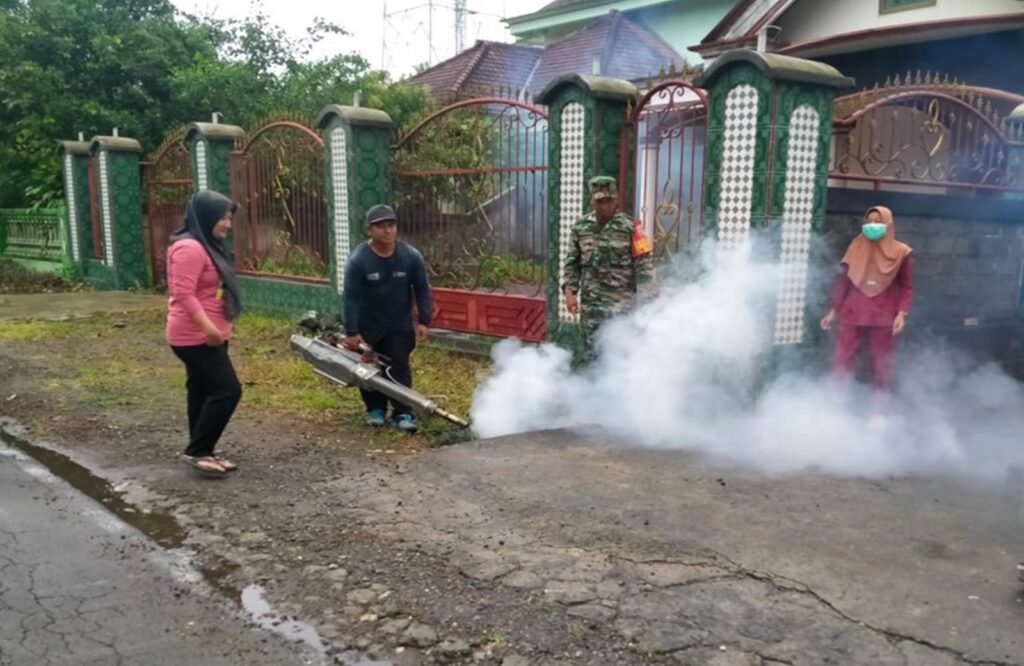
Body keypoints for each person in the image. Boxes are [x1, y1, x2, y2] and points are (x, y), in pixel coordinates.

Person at [166, 190, 243, 477]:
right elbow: (183, 295)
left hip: (209, 333)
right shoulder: (190, 248)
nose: (226, 224)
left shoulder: (205, 244)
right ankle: (198, 449)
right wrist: (210, 329)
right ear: (206, 216)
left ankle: (202, 448)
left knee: (201, 388)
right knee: (228, 390)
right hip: (194, 336)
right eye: (222, 217)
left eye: (228, 218)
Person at [342, 204, 431, 432]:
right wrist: (352, 331)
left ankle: (403, 412)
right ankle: (375, 409)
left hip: (399, 325)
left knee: (398, 366)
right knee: (367, 366)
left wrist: (424, 320)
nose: (387, 231)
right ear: (369, 230)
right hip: (368, 325)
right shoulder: (358, 260)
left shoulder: (410, 257)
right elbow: (351, 297)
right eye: (381, 226)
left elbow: (422, 289)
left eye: (391, 225)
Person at [562, 175, 655, 359]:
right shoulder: (580, 228)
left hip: (621, 306)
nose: (604, 206)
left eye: (608, 201)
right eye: (599, 202)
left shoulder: (632, 227)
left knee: (619, 355)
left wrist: (648, 300)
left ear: (616, 199)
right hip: (591, 307)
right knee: (591, 353)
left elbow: (644, 264)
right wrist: (570, 293)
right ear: (592, 201)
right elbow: (572, 262)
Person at [820, 206, 913, 391]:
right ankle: (835, 406)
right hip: (852, 314)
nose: (872, 225)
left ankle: (878, 413)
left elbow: (906, 286)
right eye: (869, 221)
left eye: (877, 222)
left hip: (883, 317)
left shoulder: (901, 252)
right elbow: (843, 282)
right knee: (842, 361)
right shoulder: (856, 246)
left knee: (881, 365)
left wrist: (901, 314)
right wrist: (833, 312)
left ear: (888, 224)